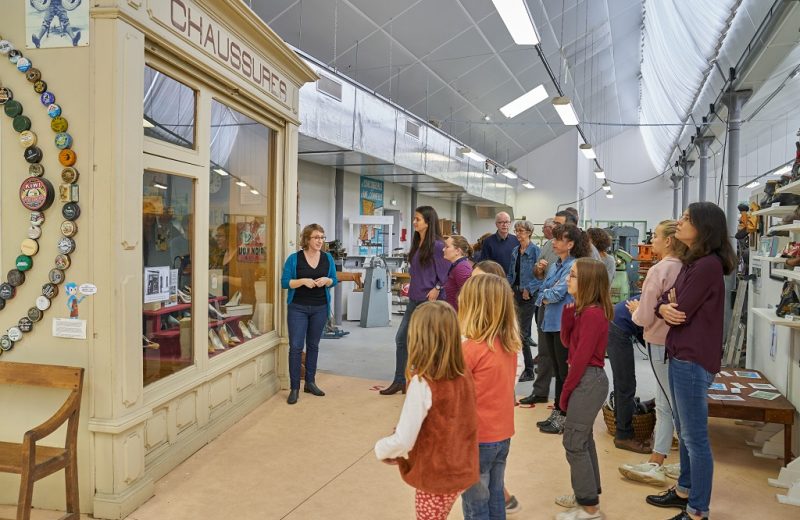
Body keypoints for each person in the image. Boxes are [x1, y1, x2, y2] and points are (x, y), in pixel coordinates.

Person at [645, 202, 736, 520]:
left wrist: (667, 307)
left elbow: (679, 309)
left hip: (692, 361)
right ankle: (684, 491)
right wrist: (663, 307)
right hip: (682, 354)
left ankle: (698, 510)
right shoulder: (692, 262)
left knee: (694, 437)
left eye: (686, 219)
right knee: (684, 431)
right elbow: (665, 302)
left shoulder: (707, 266)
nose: (679, 223)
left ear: (704, 228)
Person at [375, 301, 479, 520]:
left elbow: (404, 439)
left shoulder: (423, 383)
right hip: (460, 467)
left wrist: (382, 448)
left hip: (436, 475)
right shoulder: (463, 374)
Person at [619, 220, 687, 485]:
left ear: (669, 241)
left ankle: (677, 463)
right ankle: (658, 459)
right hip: (675, 343)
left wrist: (636, 309)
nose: (652, 241)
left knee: (671, 404)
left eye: (656, 236)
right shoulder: (686, 268)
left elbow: (644, 316)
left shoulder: (660, 270)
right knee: (667, 402)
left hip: (659, 342)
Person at [458, 274, 521, 519]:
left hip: (476, 438)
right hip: (502, 434)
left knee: (475, 504)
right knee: (495, 494)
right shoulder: (508, 344)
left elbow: (454, 395)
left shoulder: (469, 350)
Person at [555, 258, 613, 520]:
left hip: (588, 380)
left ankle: (589, 508)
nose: (568, 279)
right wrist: (568, 315)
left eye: (574, 276)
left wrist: (565, 392)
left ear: (588, 282)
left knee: (573, 442)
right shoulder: (582, 311)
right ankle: (586, 495)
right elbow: (569, 343)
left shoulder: (593, 314)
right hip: (585, 379)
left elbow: (579, 360)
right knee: (583, 439)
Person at [523, 225, 590, 434]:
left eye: (559, 239)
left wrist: (544, 296)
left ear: (570, 244)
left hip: (563, 323)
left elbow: (555, 294)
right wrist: (544, 294)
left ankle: (563, 416)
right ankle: (558, 412)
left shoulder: (574, 266)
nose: (554, 241)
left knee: (563, 372)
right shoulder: (555, 265)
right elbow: (544, 290)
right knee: (557, 370)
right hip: (550, 322)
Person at [381, 206, 450, 396]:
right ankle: (399, 381)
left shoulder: (437, 246)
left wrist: (437, 288)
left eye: (417, 219)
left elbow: (446, 272)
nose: (414, 222)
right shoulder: (417, 243)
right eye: (414, 219)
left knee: (430, 344)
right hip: (414, 299)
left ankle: (432, 384)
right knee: (401, 339)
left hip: (431, 303)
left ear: (428, 222)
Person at [280, 224, 338, 405]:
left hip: (320, 308)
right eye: (316, 237)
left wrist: (328, 280)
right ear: (307, 239)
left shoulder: (328, 258)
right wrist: (302, 281)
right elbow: (284, 283)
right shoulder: (294, 259)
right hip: (298, 308)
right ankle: (294, 387)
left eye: (322, 237)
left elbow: (334, 280)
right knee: (296, 347)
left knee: (313, 345)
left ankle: (310, 383)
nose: (320, 241)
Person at [606, 297, 648, 453]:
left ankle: (620, 423)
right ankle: (624, 435)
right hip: (618, 327)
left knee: (622, 381)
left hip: (618, 323)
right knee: (626, 383)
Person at [507, 220, 541, 383]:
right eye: (516, 231)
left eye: (521, 231)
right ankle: (518, 365)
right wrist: (506, 287)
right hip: (515, 293)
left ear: (529, 232)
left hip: (529, 296)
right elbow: (511, 273)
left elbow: (541, 276)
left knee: (523, 333)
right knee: (515, 330)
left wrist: (530, 289)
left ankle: (528, 369)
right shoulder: (515, 251)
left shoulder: (535, 251)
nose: (518, 234)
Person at [480, 212, 520, 276]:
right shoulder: (488, 242)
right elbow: (484, 264)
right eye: (501, 222)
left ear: (510, 223)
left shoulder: (516, 240)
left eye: (507, 222)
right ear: (496, 224)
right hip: (495, 280)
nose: (504, 225)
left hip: (513, 282)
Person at [443, 235, 473, 311]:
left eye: (447, 247)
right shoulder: (456, 265)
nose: (443, 249)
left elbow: (468, 296)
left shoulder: (462, 268)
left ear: (457, 251)